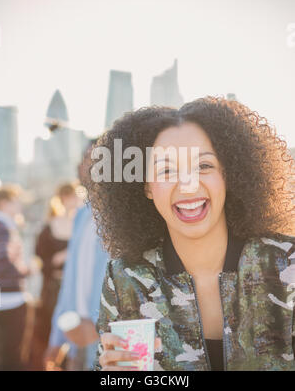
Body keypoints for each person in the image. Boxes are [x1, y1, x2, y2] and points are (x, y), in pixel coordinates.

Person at [88, 97, 295, 371]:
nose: (187, 186)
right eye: (165, 171)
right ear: (147, 188)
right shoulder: (126, 279)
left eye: (204, 166)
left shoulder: (288, 264)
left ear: (228, 174)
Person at [45, 140, 108, 371]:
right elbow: (69, 284)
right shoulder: (82, 216)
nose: (89, 165)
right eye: (86, 159)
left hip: (107, 339)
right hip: (76, 338)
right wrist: (57, 339)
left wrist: (97, 329)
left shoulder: (125, 221)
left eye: (98, 159)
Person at [31, 182, 81, 370]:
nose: (72, 201)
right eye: (68, 197)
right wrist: (58, 258)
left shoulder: (83, 224)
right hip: (55, 288)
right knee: (53, 330)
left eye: (75, 196)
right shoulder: (48, 228)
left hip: (78, 287)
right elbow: (40, 261)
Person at [0, 185, 29, 371]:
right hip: (8, 299)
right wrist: (24, 270)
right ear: (4, 202)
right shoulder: (1, 225)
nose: (19, 206)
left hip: (3, 299)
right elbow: (2, 257)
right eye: (16, 202)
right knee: (11, 357)